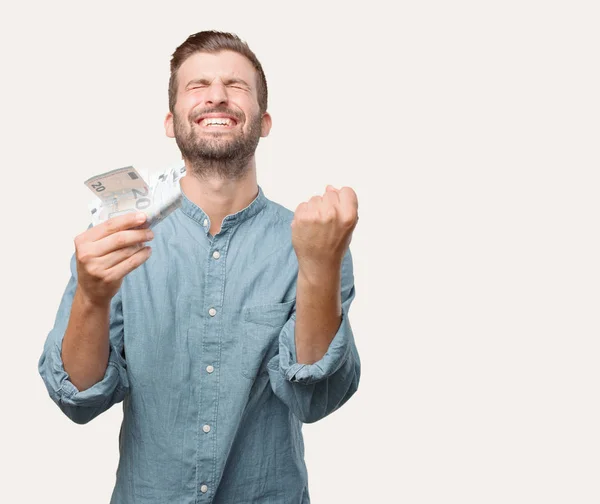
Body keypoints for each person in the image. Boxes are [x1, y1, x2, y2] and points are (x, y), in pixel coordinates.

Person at [38, 30, 360, 504]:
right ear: (171, 122)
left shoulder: (315, 241)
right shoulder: (116, 238)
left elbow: (317, 399)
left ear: (264, 121)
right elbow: (78, 399)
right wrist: (92, 295)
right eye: (198, 85)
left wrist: (318, 267)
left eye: (236, 85)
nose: (216, 95)